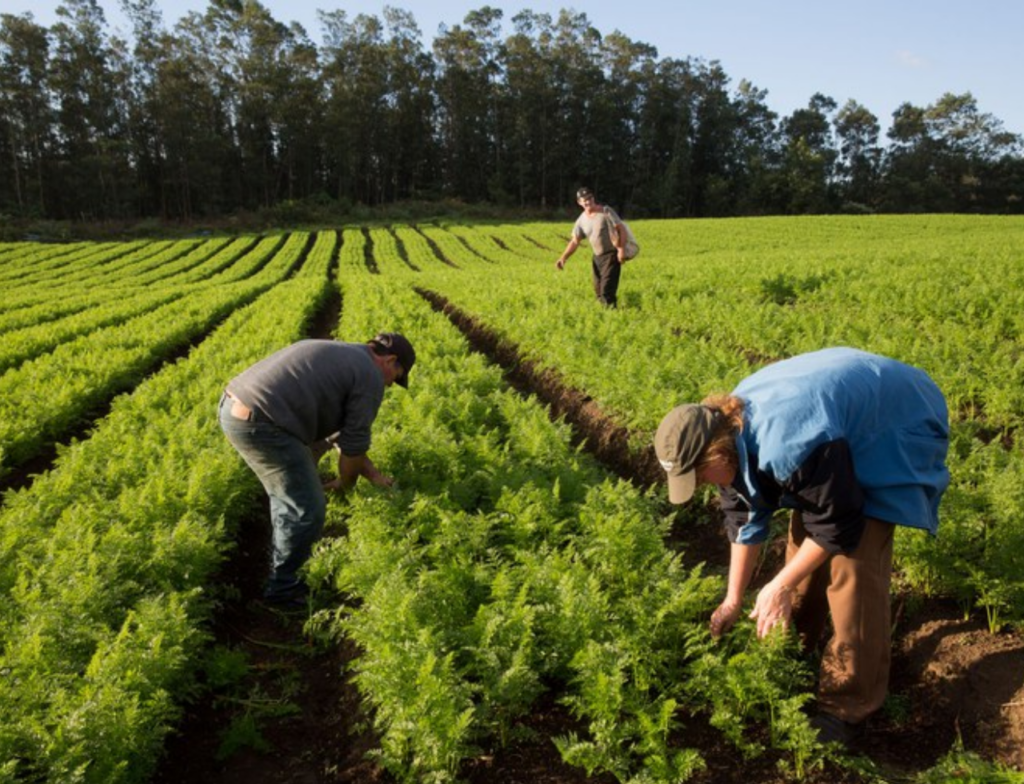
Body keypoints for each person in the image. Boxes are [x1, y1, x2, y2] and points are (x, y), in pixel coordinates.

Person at [654, 347, 949, 746]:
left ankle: (847, 705)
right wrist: (733, 599)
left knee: (852, 564)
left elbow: (837, 520)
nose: (704, 485)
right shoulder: (730, 436)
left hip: (894, 420)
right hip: (833, 430)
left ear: (716, 451)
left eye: (701, 476)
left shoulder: (789, 442)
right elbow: (743, 519)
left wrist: (779, 586)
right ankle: (799, 653)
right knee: (800, 551)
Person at [219, 333, 416, 606]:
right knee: (306, 508)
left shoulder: (346, 356)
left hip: (236, 407)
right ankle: (283, 590)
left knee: (295, 487)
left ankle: (282, 548)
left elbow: (342, 435)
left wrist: (372, 475)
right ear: (390, 360)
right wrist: (346, 485)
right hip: (264, 424)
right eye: (397, 375)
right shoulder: (370, 376)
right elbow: (353, 447)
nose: (393, 383)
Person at [555, 186, 627, 307]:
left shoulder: (605, 211)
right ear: (579, 202)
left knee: (606, 292)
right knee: (598, 292)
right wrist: (563, 258)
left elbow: (621, 229)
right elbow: (574, 241)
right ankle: (605, 316)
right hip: (597, 259)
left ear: (593, 198)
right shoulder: (581, 220)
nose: (588, 201)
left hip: (611, 256)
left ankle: (612, 316)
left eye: (590, 198)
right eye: (584, 199)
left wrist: (621, 250)